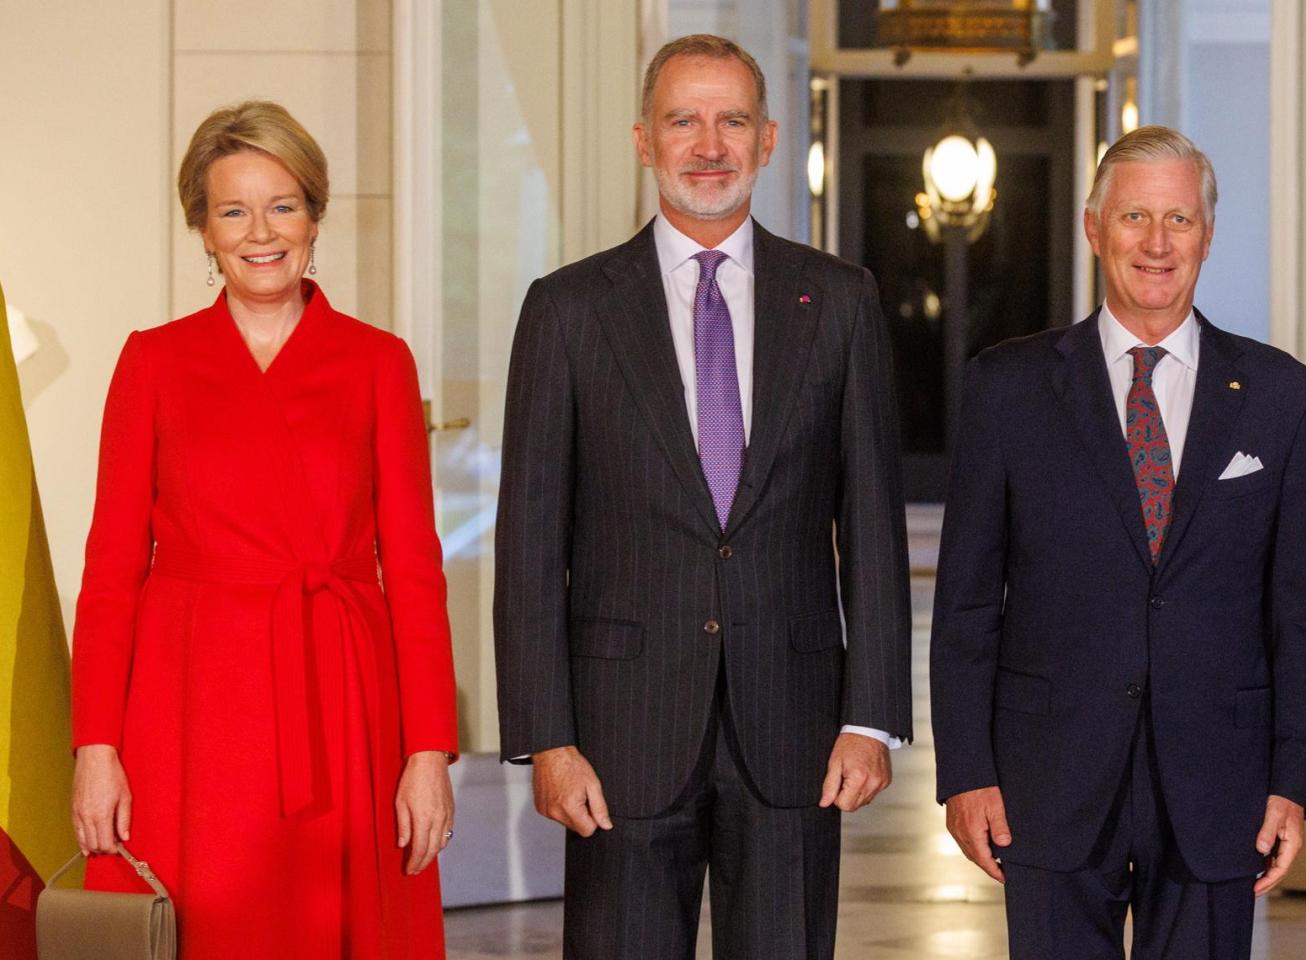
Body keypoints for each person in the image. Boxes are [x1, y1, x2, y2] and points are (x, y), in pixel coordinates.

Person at [493, 34, 911, 960]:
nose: (708, 144)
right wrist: (545, 736)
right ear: (644, 139)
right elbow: (529, 541)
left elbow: (873, 525)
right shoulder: (567, 311)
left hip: (796, 729)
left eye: (731, 121)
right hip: (616, 736)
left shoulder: (838, 302)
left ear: (767, 140)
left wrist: (870, 716)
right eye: (684, 120)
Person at [930, 125, 1306, 960]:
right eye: (1135, 218)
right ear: (1093, 229)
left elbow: (1299, 612)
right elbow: (967, 603)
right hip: (1045, 776)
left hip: (1219, 783)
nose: (1157, 243)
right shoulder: (1006, 388)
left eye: (1179, 220)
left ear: (1208, 236)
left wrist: (1294, 783)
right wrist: (967, 770)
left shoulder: (1282, 397)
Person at [69, 100, 459, 958]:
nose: (261, 232)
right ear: (203, 231)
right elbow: (109, 573)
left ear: (316, 217)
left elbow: (417, 571)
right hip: (188, 709)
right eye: (233, 210)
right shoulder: (154, 362)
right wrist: (95, 745)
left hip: (342, 699)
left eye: (283, 205)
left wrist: (428, 747)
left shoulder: (377, 362)